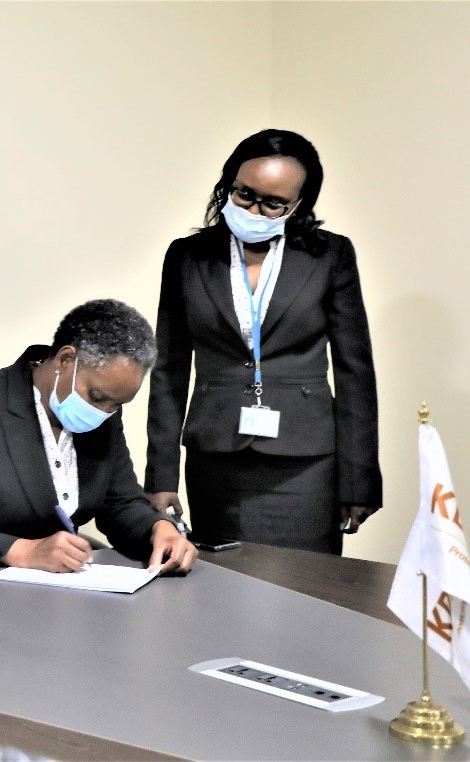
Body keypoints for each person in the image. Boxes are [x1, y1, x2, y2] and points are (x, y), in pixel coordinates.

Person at [145, 129, 381, 555]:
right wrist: (160, 476)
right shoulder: (187, 256)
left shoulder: (330, 255)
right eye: (244, 194)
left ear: (298, 204)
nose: (254, 210)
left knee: (306, 582)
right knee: (223, 578)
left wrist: (359, 479)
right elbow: (168, 369)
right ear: (228, 185)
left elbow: (355, 372)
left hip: (306, 461)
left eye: (273, 203)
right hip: (216, 454)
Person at [0, 299, 196, 578]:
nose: (103, 412)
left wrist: (159, 528)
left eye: (116, 405)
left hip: (58, 591)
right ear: (66, 359)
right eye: (96, 397)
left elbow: (120, 503)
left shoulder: (104, 417)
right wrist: (23, 551)